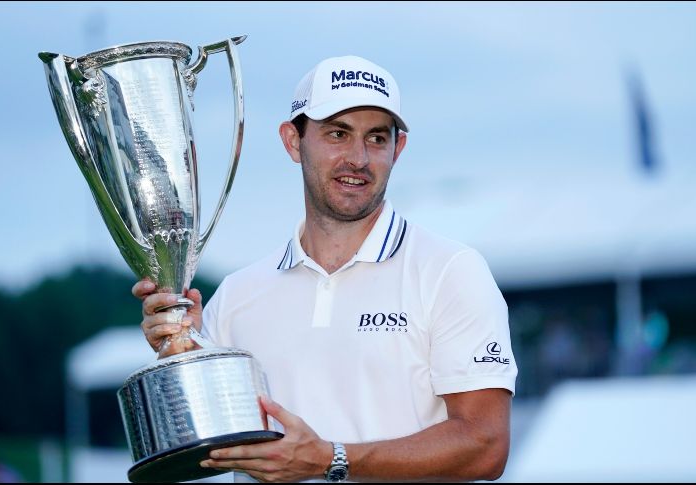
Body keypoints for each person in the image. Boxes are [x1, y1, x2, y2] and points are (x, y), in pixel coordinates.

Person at [133, 55, 518, 482]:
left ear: (398, 148)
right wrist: (185, 357)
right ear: (293, 141)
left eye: (376, 138)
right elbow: (203, 453)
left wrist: (331, 458)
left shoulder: (450, 272)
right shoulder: (237, 296)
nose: (358, 158)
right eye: (338, 134)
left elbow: (486, 446)